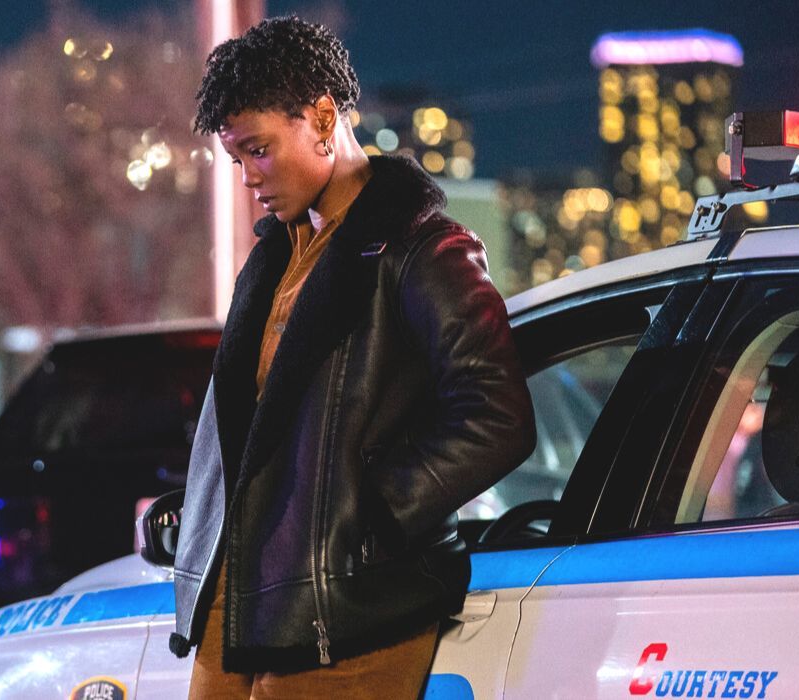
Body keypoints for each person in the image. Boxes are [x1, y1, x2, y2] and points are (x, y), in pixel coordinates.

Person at [168, 17, 537, 699]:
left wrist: (374, 517)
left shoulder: (422, 248)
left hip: (352, 608)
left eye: (259, 150)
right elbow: (263, 428)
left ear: (321, 117)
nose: (249, 176)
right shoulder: (274, 260)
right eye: (236, 158)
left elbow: (498, 414)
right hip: (245, 602)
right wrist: (197, 510)